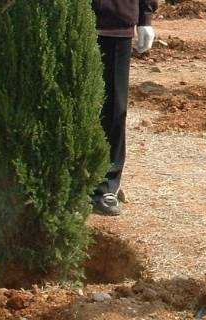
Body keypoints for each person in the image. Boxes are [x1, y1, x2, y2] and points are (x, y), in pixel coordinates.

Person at [90, 0, 158, 215]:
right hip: (66, 20)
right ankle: (70, 179)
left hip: (116, 22)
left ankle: (107, 184)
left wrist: (145, 18)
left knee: (114, 107)